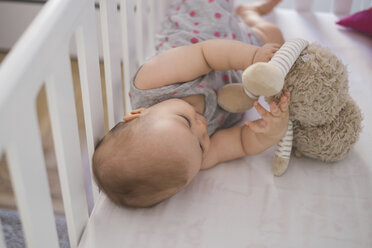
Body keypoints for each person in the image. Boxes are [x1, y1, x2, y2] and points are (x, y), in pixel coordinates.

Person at [92, 0, 289, 208]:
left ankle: (245, 16)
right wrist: (271, 132)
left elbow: (206, 55)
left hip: (206, 27)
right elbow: (241, 142)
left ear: (138, 113)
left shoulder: (150, 82)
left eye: (185, 121)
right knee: (275, 38)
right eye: (201, 145)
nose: (202, 126)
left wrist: (253, 56)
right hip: (242, 69)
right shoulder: (194, 159)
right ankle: (251, 14)